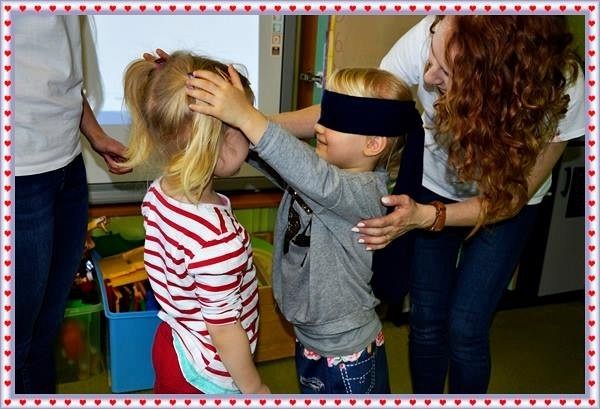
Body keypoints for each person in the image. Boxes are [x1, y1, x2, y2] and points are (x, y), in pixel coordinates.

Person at [355, 15, 584, 393]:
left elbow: (510, 199)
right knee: (426, 322)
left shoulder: (563, 86)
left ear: (497, 82)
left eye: (445, 71)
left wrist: (427, 217)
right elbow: (362, 106)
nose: (427, 77)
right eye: (430, 59)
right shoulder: (441, 29)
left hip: (505, 205)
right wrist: (264, 126)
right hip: (433, 188)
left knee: (466, 328)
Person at [186, 65, 423, 394]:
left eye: (336, 120)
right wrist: (230, 120)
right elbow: (274, 158)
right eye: (324, 115)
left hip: (348, 356)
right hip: (311, 339)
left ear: (373, 144)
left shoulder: (365, 193)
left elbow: (309, 173)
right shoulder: (323, 171)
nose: (319, 126)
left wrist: (246, 116)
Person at [121, 51, 269, 394]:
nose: (254, 133)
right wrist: (254, 388)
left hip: (172, 343)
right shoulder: (218, 239)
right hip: (210, 375)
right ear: (216, 141)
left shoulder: (158, 192)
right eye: (245, 122)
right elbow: (224, 329)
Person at [14, 15, 131, 393]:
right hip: (21, 174)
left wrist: (93, 133)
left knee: (43, 333)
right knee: (18, 345)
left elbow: (56, 72)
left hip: (67, 162)